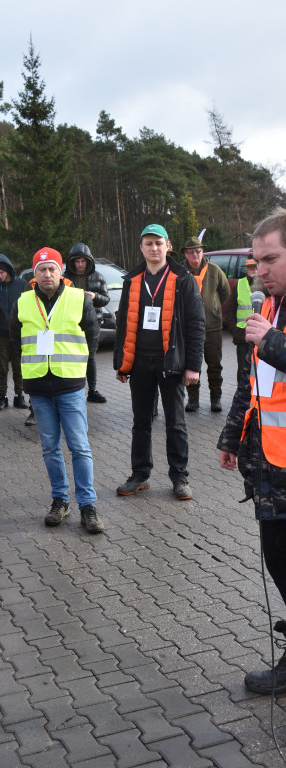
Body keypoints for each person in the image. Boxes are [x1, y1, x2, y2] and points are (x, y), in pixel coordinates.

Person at [218, 207, 286, 695]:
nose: (258, 270)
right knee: (277, 560)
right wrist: (230, 437)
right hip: (269, 464)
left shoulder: (270, 324)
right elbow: (252, 382)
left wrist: (274, 343)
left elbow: (272, 355)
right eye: (256, 260)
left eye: (271, 259)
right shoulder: (265, 307)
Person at [9, 247, 104, 533]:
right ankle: (60, 501)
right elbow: (15, 339)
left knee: (79, 447)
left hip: (70, 385)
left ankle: (88, 505)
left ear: (60, 271)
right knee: (50, 448)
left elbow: (92, 334)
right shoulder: (23, 301)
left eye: (52, 269)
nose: (47, 274)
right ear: (34, 275)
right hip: (38, 386)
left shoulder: (77, 298)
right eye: (41, 270)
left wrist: (84, 366)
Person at [114, 224, 205, 500]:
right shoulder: (131, 280)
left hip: (172, 363)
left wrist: (193, 366)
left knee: (175, 421)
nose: (154, 248)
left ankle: (180, 477)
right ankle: (140, 475)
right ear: (141, 247)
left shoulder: (183, 278)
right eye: (148, 243)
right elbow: (123, 324)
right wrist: (122, 362)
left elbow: (196, 324)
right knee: (141, 421)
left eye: (158, 243)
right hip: (140, 362)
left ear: (168, 246)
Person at [182, 236, 230, 412]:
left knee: (214, 364)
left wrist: (214, 308)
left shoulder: (214, 270)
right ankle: (193, 399)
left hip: (212, 327)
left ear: (203, 252)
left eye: (198, 251)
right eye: (191, 252)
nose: (195, 254)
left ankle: (215, 398)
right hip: (189, 329)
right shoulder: (180, 273)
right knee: (191, 365)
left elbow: (225, 292)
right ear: (185, 254)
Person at [64, 243, 110, 403]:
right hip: (70, 323)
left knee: (90, 357)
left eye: (83, 261)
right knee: (71, 357)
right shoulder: (64, 278)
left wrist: (95, 297)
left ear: (89, 261)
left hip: (93, 322)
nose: (80, 264)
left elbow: (106, 299)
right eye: (77, 261)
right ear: (72, 262)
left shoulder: (98, 276)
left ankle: (93, 390)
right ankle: (72, 391)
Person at [0, 254, 28, 410]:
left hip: (18, 333)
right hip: (0, 334)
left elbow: (31, 305)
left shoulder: (22, 284)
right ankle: (2, 397)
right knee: (1, 367)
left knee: (19, 366)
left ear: (8, 270)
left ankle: (19, 395)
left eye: (1, 273)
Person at [225, 256, 258, 384]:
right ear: (247, 270)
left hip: (262, 335)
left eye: (255, 267)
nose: (253, 270)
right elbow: (229, 310)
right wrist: (235, 331)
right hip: (242, 335)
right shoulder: (239, 285)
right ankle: (242, 399)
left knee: (260, 369)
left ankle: (255, 399)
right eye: (250, 268)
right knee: (243, 369)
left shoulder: (266, 286)